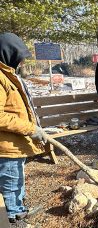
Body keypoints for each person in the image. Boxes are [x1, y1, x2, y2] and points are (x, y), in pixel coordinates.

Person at [0, 33, 47, 226]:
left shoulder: (7, 74)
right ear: (8, 53)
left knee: (17, 177)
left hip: (16, 144)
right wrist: (30, 128)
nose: (21, 61)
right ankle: (12, 218)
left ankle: (19, 209)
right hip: (7, 146)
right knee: (10, 183)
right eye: (18, 56)